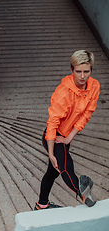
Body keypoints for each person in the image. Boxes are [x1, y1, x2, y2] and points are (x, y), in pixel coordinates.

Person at [34, 50, 100, 210]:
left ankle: (41, 204)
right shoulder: (63, 93)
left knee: (52, 172)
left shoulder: (94, 86)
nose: (82, 76)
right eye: (78, 71)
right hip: (53, 137)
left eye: (86, 71)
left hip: (65, 138)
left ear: (91, 70)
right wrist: (51, 153)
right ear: (72, 70)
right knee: (65, 166)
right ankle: (83, 193)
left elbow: (86, 114)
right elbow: (52, 123)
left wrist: (69, 138)